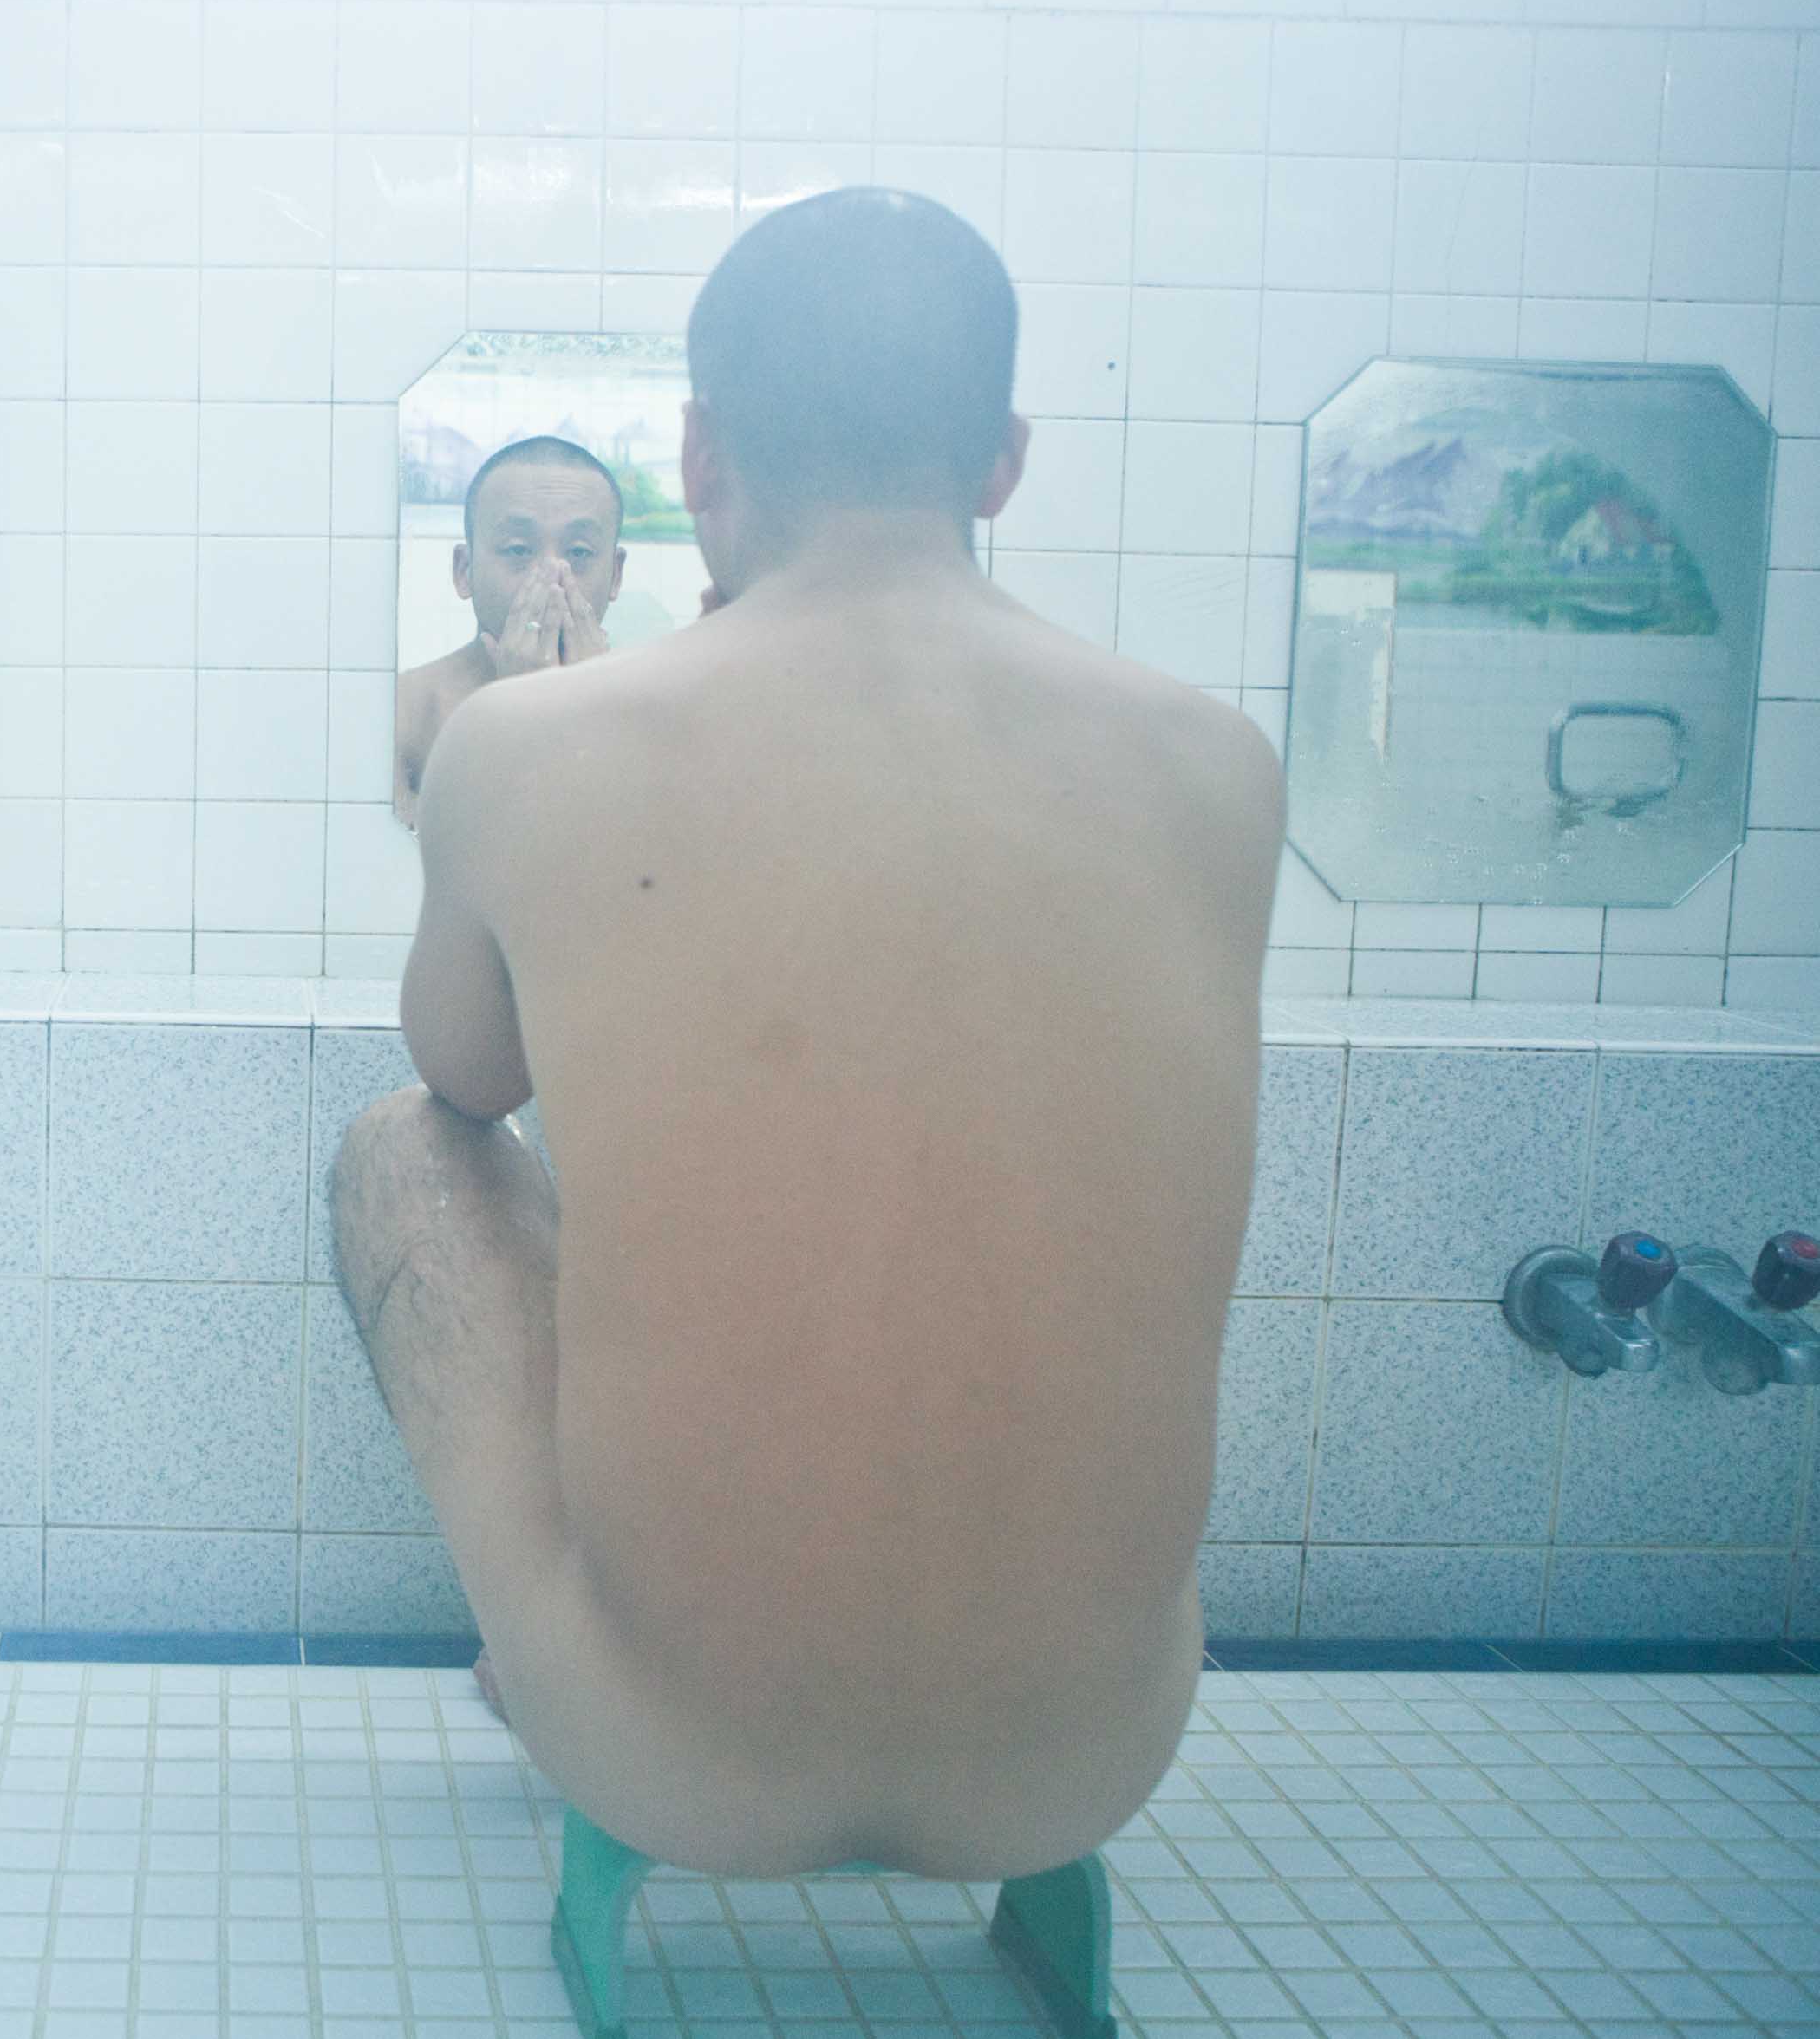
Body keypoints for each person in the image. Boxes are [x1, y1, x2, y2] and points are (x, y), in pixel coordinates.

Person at [328, 189, 1283, 1885]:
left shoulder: (524, 748)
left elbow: (464, 1078)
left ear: (695, 462)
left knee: (399, 1153)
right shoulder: (1213, 771)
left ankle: (555, 1632)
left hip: (677, 1760)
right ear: (1001, 461)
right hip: (1089, 1755)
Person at [391, 436, 627, 827]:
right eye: (519, 549)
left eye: (579, 552)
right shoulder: (402, 713)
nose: (552, 575)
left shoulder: (652, 713)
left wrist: (587, 716)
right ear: (464, 570)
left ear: (615, 574)